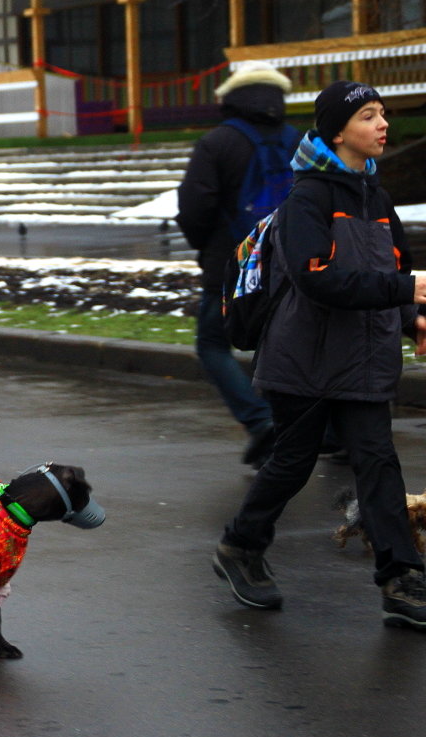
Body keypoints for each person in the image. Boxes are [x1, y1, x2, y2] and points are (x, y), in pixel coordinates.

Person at [212, 81, 426, 629]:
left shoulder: (376, 199)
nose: (382, 126)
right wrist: (405, 292)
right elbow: (319, 278)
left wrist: (412, 318)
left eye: (383, 115)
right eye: (369, 117)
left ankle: (400, 578)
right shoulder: (309, 199)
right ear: (338, 131)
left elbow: (389, 270)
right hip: (303, 361)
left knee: (378, 464)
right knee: (293, 462)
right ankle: (240, 548)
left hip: (362, 361)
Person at [176, 61, 297, 467]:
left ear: (232, 96)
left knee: (212, 344)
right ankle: (328, 430)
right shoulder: (298, 140)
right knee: (289, 344)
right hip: (294, 259)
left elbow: (195, 207)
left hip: (233, 263)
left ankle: (260, 420)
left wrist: (207, 247)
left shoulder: (218, 142)